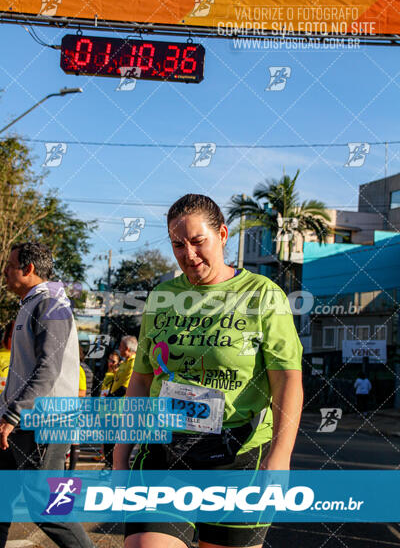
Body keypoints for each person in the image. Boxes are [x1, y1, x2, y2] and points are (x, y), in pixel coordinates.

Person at [114, 194, 303, 548]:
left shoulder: (262, 295)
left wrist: (281, 455)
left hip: (237, 455)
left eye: (198, 241)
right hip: (165, 450)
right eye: (178, 245)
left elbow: (288, 379)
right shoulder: (162, 297)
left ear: (223, 235)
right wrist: (121, 452)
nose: (189, 254)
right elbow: (141, 377)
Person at [0, 242, 95, 548]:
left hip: (44, 422)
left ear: (28, 270)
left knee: (48, 508)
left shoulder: (50, 305)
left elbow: (48, 368)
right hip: (23, 422)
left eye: (9, 266)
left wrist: (13, 414)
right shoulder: (33, 304)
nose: (4, 272)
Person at [103, 337, 137, 469]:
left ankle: (114, 469)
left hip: (121, 410)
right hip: (112, 409)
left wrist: (110, 398)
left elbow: (126, 387)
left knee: (115, 443)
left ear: (127, 349)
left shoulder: (133, 363)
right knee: (108, 441)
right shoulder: (125, 362)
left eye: (121, 347)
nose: (119, 349)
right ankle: (110, 466)